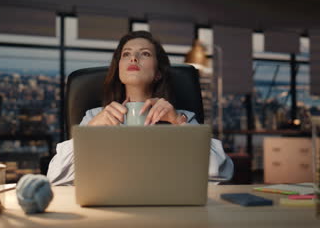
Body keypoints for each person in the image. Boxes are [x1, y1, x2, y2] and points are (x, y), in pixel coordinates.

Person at [47, 31, 233, 186]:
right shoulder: (95, 116)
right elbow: (54, 176)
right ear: (119, 69)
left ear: (158, 72)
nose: (133, 58)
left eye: (145, 53)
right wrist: (91, 130)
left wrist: (177, 121)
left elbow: (222, 172)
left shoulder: (181, 119)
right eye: (126, 54)